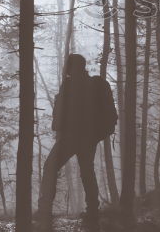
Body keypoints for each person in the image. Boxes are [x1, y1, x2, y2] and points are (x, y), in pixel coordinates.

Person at [37, 53, 118, 219]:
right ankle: (93, 210)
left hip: (72, 137)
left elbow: (63, 112)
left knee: (51, 167)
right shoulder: (90, 84)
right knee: (87, 171)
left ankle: (45, 210)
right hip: (88, 138)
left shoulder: (72, 85)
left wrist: (61, 129)